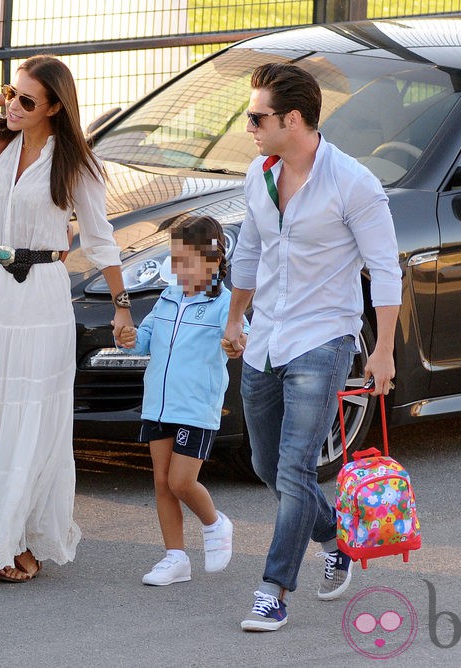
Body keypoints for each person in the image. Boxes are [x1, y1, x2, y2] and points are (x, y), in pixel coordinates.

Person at [0, 55, 134, 582]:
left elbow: (101, 238)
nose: (15, 107)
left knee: (27, 423)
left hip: (39, 296)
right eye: (12, 94)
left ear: (56, 108)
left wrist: (121, 307)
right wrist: (4, 99)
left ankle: (16, 539)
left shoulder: (78, 164)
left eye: (28, 100)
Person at [221, 63, 402, 631]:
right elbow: (248, 251)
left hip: (323, 339)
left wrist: (384, 351)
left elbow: (385, 270)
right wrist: (234, 319)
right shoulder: (259, 175)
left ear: (291, 119)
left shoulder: (353, 183)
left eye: (257, 116)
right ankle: (336, 535)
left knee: (298, 464)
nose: (248, 126)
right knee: (268, 465)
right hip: (266, 338)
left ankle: (273, 589)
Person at [115, 216, 249, 586]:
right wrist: (127, 336)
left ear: (212, 262)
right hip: (158, 404)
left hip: (195, 408)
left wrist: (234, 343)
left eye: (187, 261)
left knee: (181, 482)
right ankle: (176, 558)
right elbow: (143, 340)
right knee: (162, 483)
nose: (179, 269)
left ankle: (215, 523)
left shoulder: (225, 304)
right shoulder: (167, 297)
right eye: (175, 260)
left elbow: (241, 338)